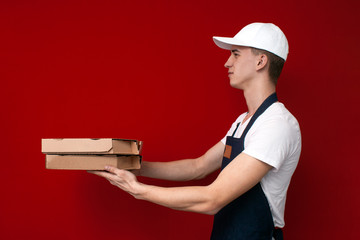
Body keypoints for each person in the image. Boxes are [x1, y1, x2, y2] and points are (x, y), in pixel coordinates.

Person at [89, 22, 301, 240]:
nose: (227, 63)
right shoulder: (243, 122)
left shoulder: (277, 125)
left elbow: (213, 199)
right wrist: (135, 167)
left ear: (260, 61)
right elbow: (198, 167)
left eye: (235, 54)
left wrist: (138, 189)